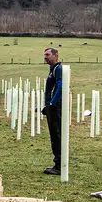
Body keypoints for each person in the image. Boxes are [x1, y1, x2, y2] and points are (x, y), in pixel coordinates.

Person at [41, 46, 63, 175]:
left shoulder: (58, 69)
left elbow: (60, 86)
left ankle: (59, 165)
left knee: (56, 135)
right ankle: (58, 163)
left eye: (47, 55)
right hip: (52, 107)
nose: (45, 57)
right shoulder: (53, 69)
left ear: (55, 56)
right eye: (44, 55)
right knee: (54, 136)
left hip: (55, 107)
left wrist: (52, 103)